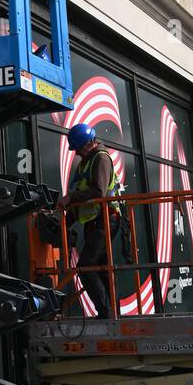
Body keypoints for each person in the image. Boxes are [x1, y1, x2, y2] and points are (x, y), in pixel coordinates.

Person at [59, 123, 122, 320]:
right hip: (95, 222)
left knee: (86, 267)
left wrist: (70, 198)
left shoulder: (100, 158)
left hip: (105, 220)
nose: (76, 153)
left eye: (77, 148)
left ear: (87, 144)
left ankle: (106, 313)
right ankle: (111, 314)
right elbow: (82, 196)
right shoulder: (86, 162)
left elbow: (98, 192)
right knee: (101, 268)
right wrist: (64, 222)